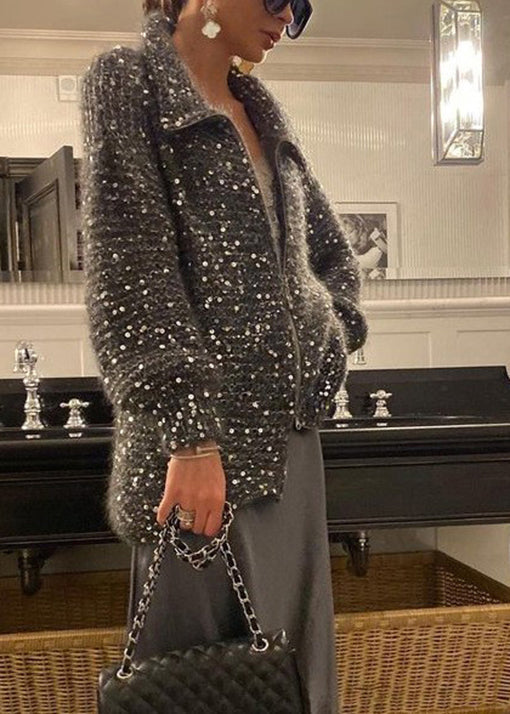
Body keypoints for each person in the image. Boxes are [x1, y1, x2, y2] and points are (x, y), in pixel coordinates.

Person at [79, 0, 368, 711]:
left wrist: (330, 333)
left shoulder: (265, 116)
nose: (288, 18)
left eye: (302, 9)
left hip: (291, 447)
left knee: (293, 677)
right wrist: (190, 434)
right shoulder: (130, 82)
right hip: (197, 451)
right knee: (199, 681)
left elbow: (334, 261)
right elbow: (131, 270)